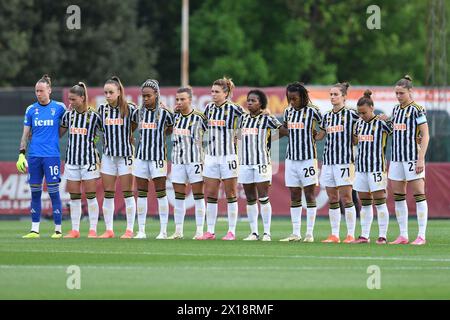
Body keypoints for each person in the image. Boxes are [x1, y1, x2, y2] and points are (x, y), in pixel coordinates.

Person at [18, 74, 66, 239]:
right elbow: (25, 134)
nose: (38, 94)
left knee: (53, 192)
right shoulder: (31, 110)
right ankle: (34, 229)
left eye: (41, 90)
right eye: (36, 91)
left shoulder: (59, 107)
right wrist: (21, 154)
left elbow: (67, 124)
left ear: (49, 90)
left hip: (51, 156)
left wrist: (58, 134)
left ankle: (58, 229)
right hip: (34, 156)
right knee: (35, 192)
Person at [198, 77, 244, 240]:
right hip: (211, 156)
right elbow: (202, 128)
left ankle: (231, 231)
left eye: (217, 92)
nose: (213, 94)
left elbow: (248, 121)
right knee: (210, 193)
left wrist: (237, 135)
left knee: (231, 193)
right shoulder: (209, 108)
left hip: (229, 156)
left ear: (226, 93)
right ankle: (210, 231)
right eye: (212, 91)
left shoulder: (234, 108)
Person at [238, 89, 286, 241]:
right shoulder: (243, 119)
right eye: (248, 100)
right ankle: (253, 232)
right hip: (245, 162)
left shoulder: (267, 118)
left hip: (262, 162)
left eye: (253, 101)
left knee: (263, 197)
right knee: (250, 197)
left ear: (261, 104)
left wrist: (268, 140)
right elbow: (238, 137)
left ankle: (267, 233)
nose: (249, 103)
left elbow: (283, 131)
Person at [315, 82, 360, 244]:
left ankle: (350, 234)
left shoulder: (352, 114)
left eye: (336, 94)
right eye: (331, 94)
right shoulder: (326, 116)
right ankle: (334, 234)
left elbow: (362, 129)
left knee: (347, 198)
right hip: (328, 162)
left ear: (344, 97)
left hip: (345, 162)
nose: (332, 97)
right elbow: (320, 136)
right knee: (332, 197)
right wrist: (308, 132)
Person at [387, 75, 429, 245]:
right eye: (396, 93)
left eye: (401, 93)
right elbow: (395, 130)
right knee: (398, 195)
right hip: (396, 158)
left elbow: (425, 135)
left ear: (410, 91)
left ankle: (421, 235)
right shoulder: (396, 110)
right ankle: (403, 235)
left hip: (412, 157)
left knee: (419, 194)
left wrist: (421, 158)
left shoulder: (417, 109)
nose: (398, 96)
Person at [280, 82, 322, 243]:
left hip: (308, 159)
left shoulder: (313, 111)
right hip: (291, 159)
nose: (291, 102)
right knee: (294, 195)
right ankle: (296, 233)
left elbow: (325, 125)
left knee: (310, 195)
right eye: (289, 98)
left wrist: (318, 136)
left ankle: (309, 233)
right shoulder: (288, 112)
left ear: (302, 97)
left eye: (294, 98)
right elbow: (284, 129)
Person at [97, 76, 138, 239]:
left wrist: (130, 134)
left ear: (119, 92)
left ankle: (129, 229)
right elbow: (99, 129)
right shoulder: (102, 110)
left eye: (111, 92)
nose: (107, 95)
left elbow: (135, 124)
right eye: (105, 92)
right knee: (108, 192)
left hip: (126, 155)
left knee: (128, 192)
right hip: (108, 155)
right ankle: (109, 229)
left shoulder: (130, 109)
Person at [60, 82, 102, 238]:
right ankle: (75, 230)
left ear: (82, 98)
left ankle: (93, 230)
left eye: (73, 99)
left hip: (89, 161)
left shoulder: (94, 116)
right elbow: (59, 134)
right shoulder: (68, 115)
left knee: (91, 196)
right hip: (71, 161)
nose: (70, 103)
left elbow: (107, 133)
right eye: (69, 99)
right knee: (74, 197)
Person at [133, 79, 174, 239]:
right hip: (141, 157)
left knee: (161, 193)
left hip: (157, 157)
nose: (145, 99)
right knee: (141, 193)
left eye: (148, 96)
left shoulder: (164, 113)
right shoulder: (139, 112)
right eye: (143, 96)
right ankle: (141, 230)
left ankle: (163, 231)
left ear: (156, 94)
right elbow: (132, 127)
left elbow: (170, 129)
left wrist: (160, 137)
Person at [352, 90, 392, 244]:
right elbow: (356, 142)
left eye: (364, 112)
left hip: (376, 168)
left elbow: (395, 132)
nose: (362, 116)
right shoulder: (358, 124)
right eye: (359, 113)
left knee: (380, 202)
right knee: (365, 202)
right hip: (361, 169)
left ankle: (382, 236)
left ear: (372, 108)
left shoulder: (381, 123)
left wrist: (388, 120)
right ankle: (364, 235)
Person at [170, 87, 207, 240]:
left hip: (195, 160)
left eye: (182, 99)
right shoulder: (174, 116)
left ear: (190, 100)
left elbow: (213, 135)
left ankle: (199, 231)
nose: (179, 102)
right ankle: (178, 231)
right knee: (179, 196)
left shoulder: (200, 117)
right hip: (177, 161)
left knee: (198, 196)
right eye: (177, 99)